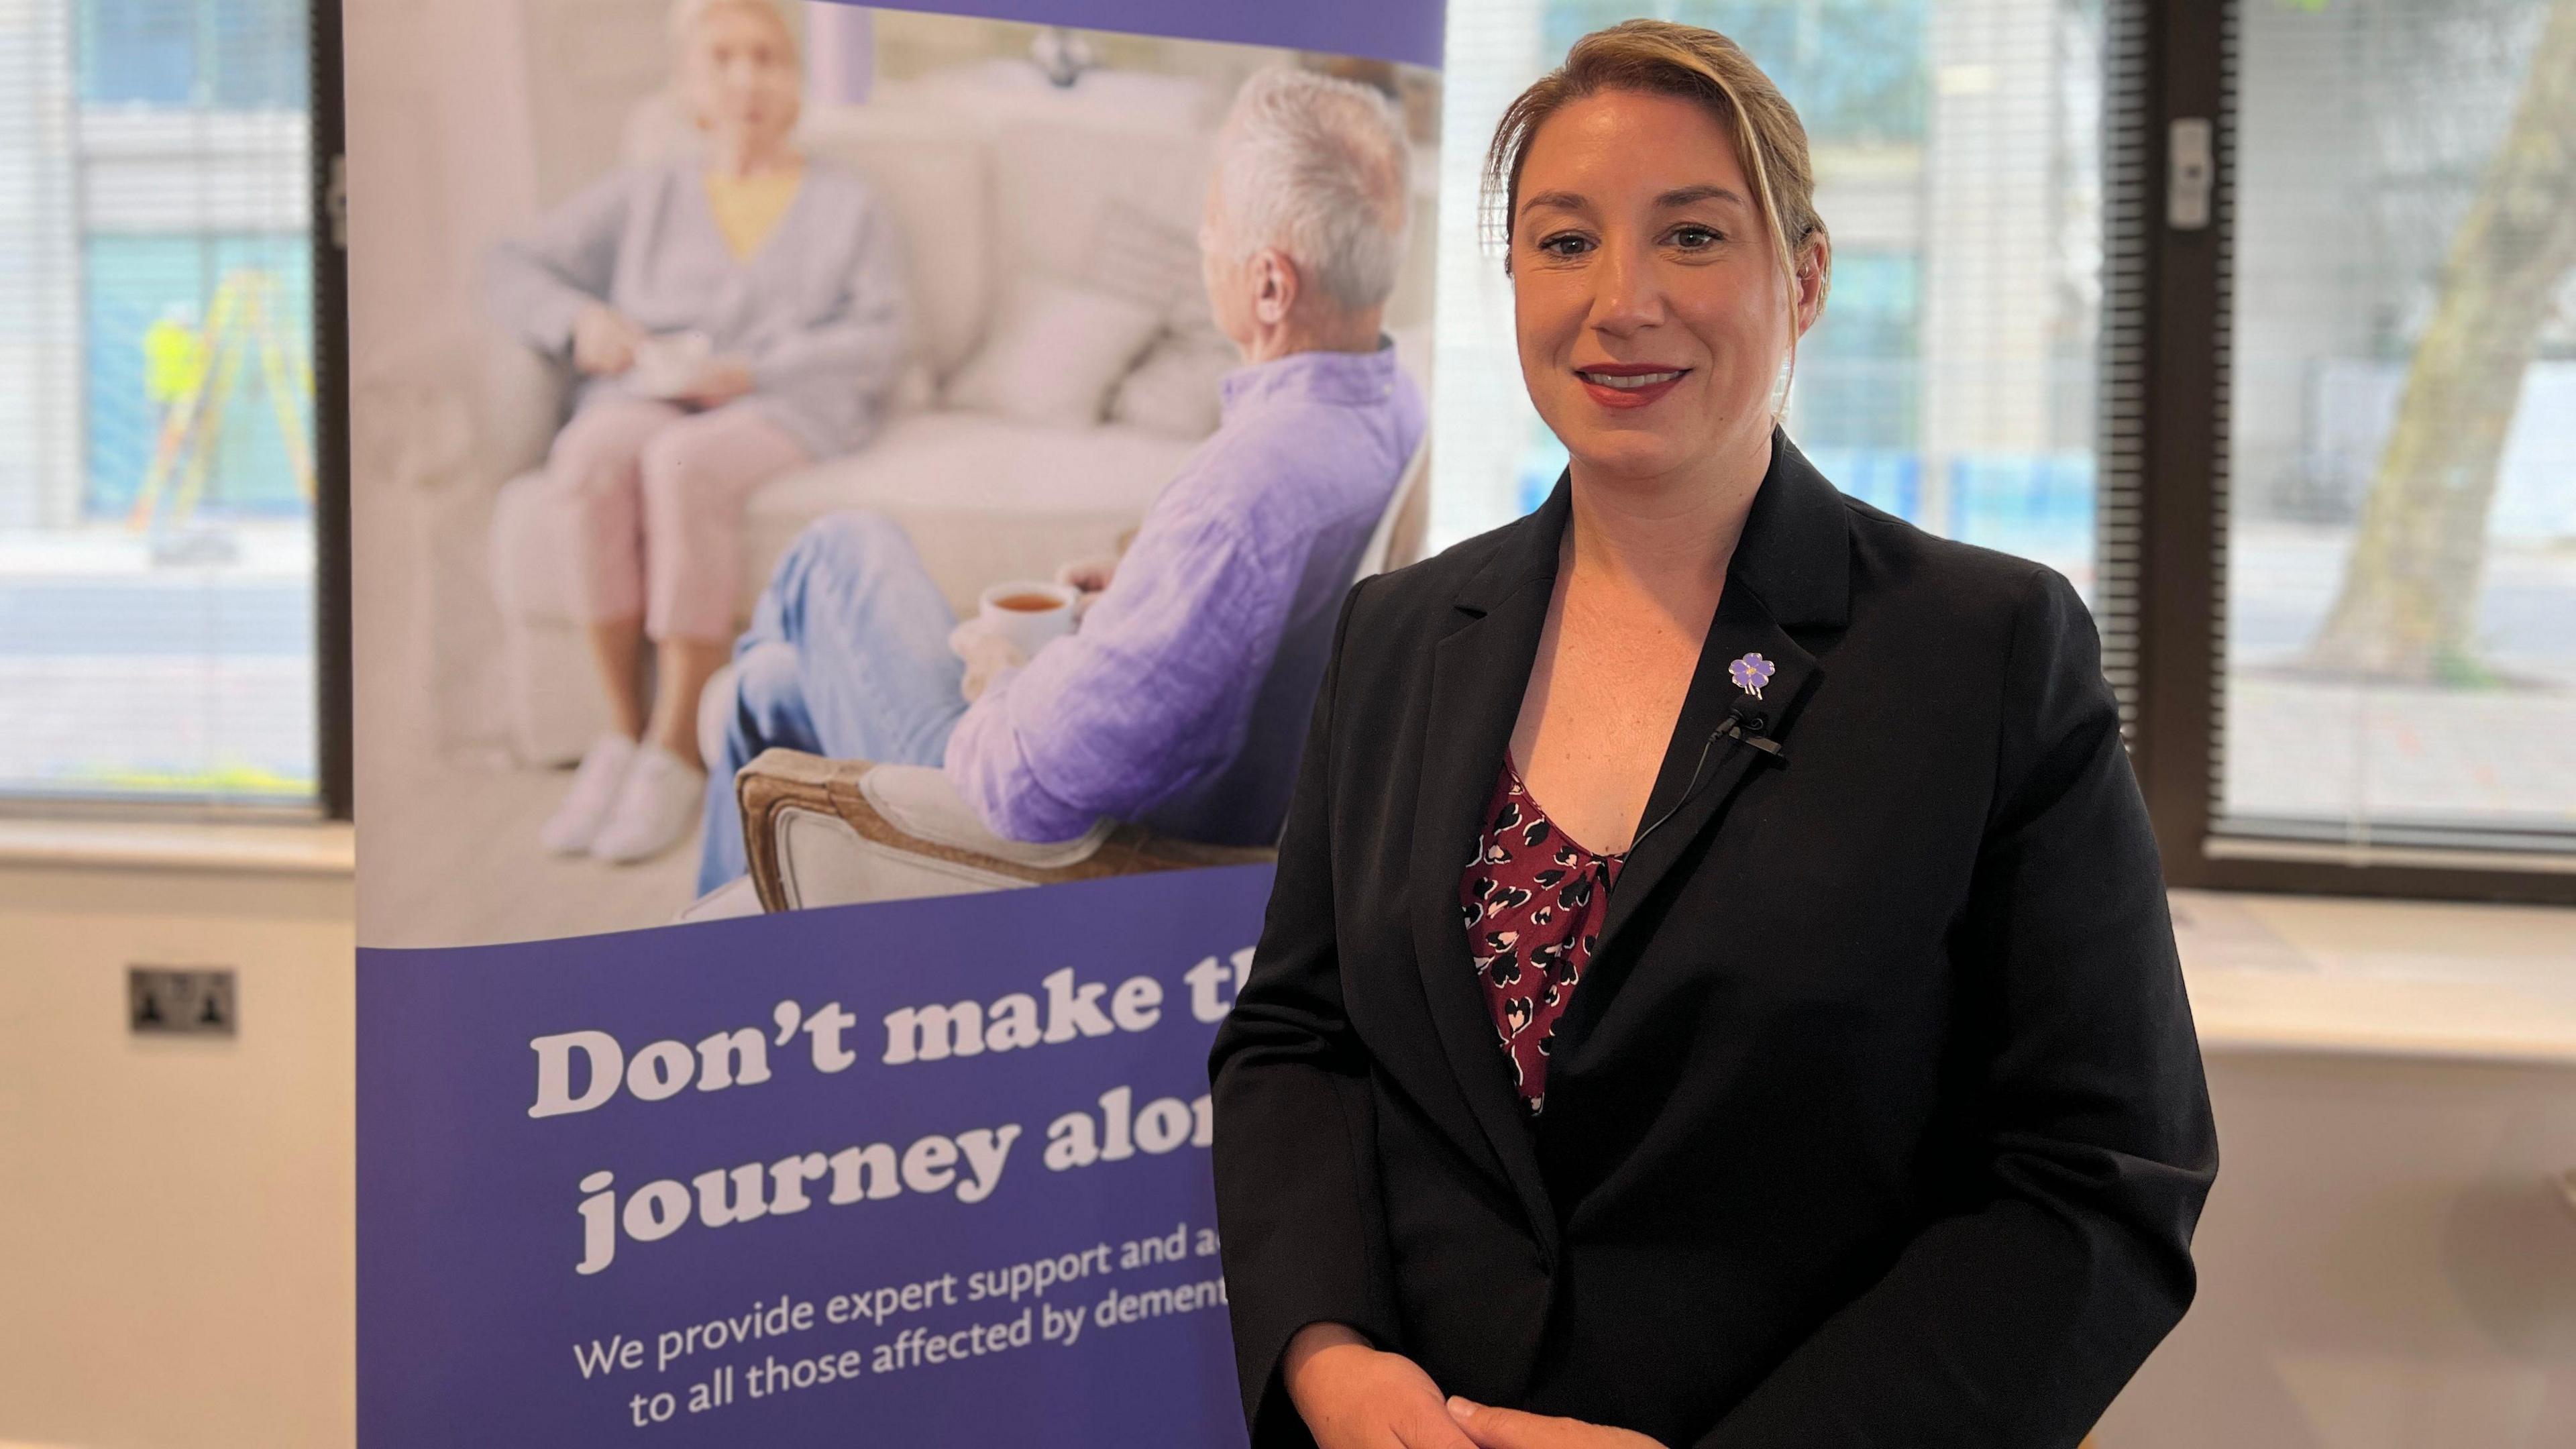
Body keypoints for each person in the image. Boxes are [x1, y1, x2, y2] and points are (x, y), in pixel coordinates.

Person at [1208, 21, 2218, 1449]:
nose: (1621, 303)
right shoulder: (1399, 639)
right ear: (1509, 280)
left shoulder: (1982, 654)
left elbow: (2099, 1178)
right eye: (1564, 244)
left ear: (1802, 278)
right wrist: (1326, 1354)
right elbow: (1297, 1040)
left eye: (1690, 236)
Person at [695, 66, 1424, 894]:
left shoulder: (1241, 496)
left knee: (839, 547)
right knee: (764, 689)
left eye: (1214, 215)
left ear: (1269, 285)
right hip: (1196, 779)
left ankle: (741, 944)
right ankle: (734, 939)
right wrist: (1149, 587)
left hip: (1062, 839)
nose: (1203, 238)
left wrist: (1001, 671)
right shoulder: (1391, 400)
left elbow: (1024, 791)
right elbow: (1259, 599)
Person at [486, 0, 907, 863]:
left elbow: (883, 333)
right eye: (724, 58)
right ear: (689, 84)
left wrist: (752, 370)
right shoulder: (648, 192)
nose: (747, 77)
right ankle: (622, 736)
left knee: (681, 464)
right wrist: (580, 322)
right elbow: (511, 265)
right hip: (653, 388)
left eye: (768, 57)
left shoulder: (845, 201)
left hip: (786, 398)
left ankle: (677, 751)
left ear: (796, 81)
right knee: (593, 454)